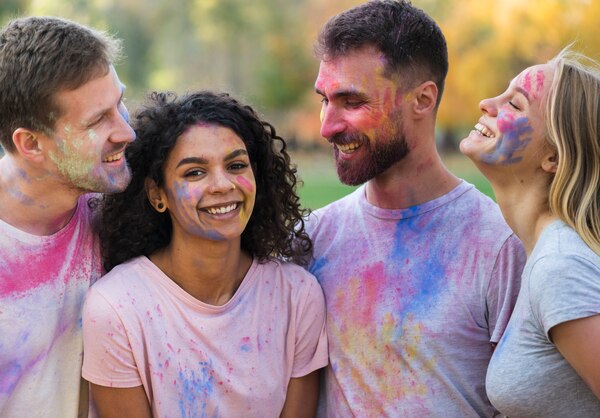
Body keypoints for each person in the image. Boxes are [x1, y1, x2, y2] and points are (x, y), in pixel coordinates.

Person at [306, 0, 526, 416]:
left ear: (423, 100)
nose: (327, 126)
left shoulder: (499, 246)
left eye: (351, 102)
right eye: (324, 100)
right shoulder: (313, 239)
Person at [81, 91, 328, 417]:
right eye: (195, 172)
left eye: (236, 165)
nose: (223, 184)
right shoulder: (117, 307)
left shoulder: (297, 296)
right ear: (158, 195)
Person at [460, 47, 600, 417]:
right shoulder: (548, 255)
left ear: (554, 157)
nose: (487, 103)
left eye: (515, 105)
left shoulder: (562, 268)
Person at [0, 16, 134, 417]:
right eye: (97, 120)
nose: (126, 131)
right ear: (31, 144)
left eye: (119, 102)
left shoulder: (115, 212)